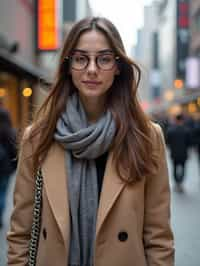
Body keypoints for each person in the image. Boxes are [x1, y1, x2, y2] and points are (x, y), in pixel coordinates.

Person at [7, 17, 174, 266]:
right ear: (68, 66)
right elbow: (21, 234)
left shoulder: (146, 137)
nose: (92, 69)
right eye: (81, 58)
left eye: (104, 59)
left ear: (118, 67)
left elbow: (158, 238)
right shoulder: (39, 138)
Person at [0, 107, 17, 228]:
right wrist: (14, 166)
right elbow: (14, 152)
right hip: (5, 168)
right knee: (3, 193)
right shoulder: (10, 132)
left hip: (5, 168)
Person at [166, 113, 191, 192]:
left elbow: (168, 142)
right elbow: (189, 143)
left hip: (174, 153)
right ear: (182, 120)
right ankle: (180, 183)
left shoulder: (170, 130)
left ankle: (177, 183)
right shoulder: (186, 130)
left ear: (175, 120)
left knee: (174, 168)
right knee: (183, 168)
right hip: (183, 153)